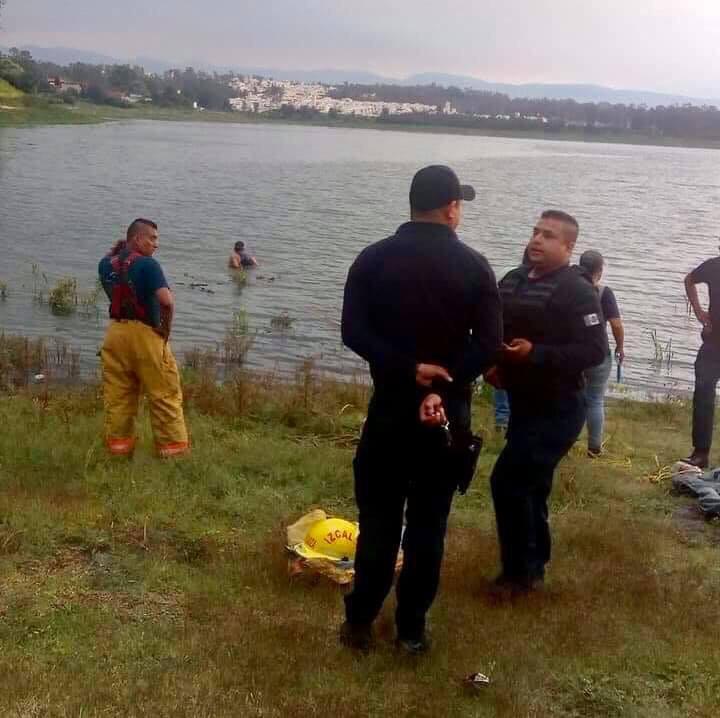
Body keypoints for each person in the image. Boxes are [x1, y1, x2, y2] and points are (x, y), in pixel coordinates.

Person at [340, 165, 502, 653]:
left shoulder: (371, 260)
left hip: (390, 409)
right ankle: (411, 631)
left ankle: (361, 622)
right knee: (429, 525)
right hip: (445, 417)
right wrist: (444, 379)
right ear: (452, 208)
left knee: (379, 521)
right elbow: (490, 345)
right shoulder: (476, 267)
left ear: (412, 205)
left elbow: (354, 332)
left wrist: (410, 369)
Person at [485, 210, 607, 592]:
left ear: (568, 247)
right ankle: (533, 566)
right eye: (535, 232)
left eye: (549, 236)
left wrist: (536, 353)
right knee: (532, 485)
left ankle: (517, 574)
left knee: (508, 481)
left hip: (558, 408)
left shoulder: (577, 289)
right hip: (523, 402)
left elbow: (594, 350)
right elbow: (498, 328)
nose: (537, 239)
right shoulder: (513, 280)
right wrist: (495, 362)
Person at [98, 218, 189, 458]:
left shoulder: (105, 264)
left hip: (115, 334)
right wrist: (165, 330)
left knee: (118, 397)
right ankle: (174, 454)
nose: (156, 244)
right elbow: (167, 302)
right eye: (152, 238)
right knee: (164, 395)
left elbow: (116, 295)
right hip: (145, 335)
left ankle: (118, 451)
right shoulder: (149, 265)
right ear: (137, 238)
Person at [578, 250, 625, 457]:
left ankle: (564, 440)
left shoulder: (569, 288)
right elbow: (616, 324)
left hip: (571, 352)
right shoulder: (604, 292)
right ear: (600, 270)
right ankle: (594, 448)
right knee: (595, 399)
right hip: (598, 352)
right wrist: (620, 347)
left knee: (570, 397)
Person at [684, 242, 720, 468]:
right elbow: (689, 280)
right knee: (703, 394)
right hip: (713, 344)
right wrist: (699, 312)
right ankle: (700, 453)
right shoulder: (713, 266)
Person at [494, 246, 531, 432]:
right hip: (523, 338)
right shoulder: (544, 281)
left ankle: (502, 420)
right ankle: (511, 420)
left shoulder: (506, 274)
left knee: (502, 375)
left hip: (503, 333)